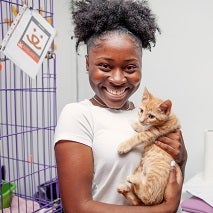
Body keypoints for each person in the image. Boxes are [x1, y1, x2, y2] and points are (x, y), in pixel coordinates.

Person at [54, 0, 188, 212]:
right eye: (105, 66)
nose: (118, 79)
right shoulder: (78, 115)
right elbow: (77, 207)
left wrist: (182, 158)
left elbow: (166, 182)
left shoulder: (144, 116)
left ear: (141, 65)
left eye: (130, 67)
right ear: (87, 62)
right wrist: (163, 209)